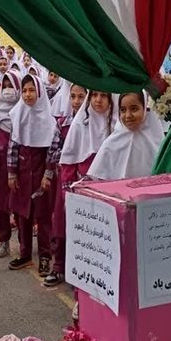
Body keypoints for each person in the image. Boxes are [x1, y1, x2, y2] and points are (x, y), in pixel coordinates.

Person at [46, 91, 114, 288]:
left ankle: (92, 277)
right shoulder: (80, 124)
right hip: (77, 189)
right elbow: (68, 159)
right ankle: (60, 267)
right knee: (68, 228)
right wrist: (69, 189)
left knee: (98, 238)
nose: (98, 100)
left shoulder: (116, 125)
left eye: (104, 96)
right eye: (94, 96)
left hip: (105, 193)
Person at [7, 75, 61, 276]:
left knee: (43, 216)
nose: (28, 95)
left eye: (32, 90)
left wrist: (47, 175)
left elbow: (53, 150)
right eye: (25, 90)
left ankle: (45, 256)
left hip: (41, 174)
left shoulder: (49, 120)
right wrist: (11, 173)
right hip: (22, 173)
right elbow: (13, 145)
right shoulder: (17, 114)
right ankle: (25, 253)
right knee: (22, 215)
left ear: (39, 92)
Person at [88, 91, 164, 180]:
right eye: (123, 110)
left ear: (145, 109)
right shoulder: (111, 144)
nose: (128, 115)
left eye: (134, 109)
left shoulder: (158, 144)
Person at [0, 70, 21, 258]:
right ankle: (4, 240)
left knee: (19, 202)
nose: (7, 89)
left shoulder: (23, 109)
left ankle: (24, 242)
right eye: (5, 85)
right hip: (0, 165)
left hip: (18, 165)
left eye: (11, 85)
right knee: (0, 203)